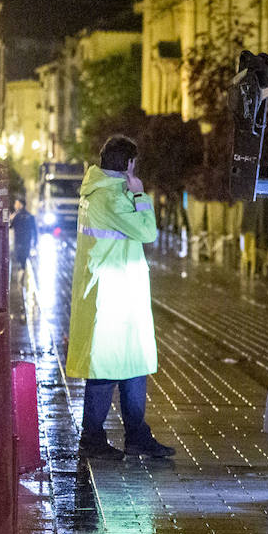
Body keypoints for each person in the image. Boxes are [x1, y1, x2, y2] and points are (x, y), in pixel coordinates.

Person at [65, 135, 176, 460]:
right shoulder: (111, 198)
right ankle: (93, 438)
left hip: (117, 292)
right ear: (128, 165)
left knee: (133, 364)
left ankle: (137, 435)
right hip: (111, 296)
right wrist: (140, 194)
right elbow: (147, 232)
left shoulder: (96, 191)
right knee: (106, 367)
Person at [9, 196, 37, 294]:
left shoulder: (16, 216)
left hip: (18, 242)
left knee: (18, 258)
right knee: (23, 259)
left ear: (20, 204)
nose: (15, 205)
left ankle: (20, 280)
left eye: (16, 203)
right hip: (27, 242)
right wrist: (35, 242)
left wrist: (10, 218)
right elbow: (35, 231)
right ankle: (22, 274)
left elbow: (10, 226)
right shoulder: (30, 216)